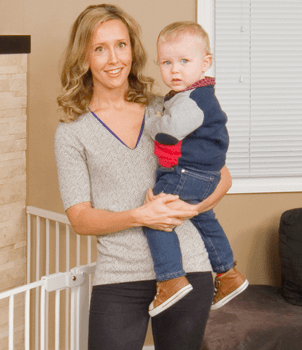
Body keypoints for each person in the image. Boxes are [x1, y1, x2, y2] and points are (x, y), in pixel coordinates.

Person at [54, 4, 231, 350]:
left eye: (121, 45)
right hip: (120, 276)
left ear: (133, 50)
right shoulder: (71, 132)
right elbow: (80, 218)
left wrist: (189, 211)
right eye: (99, 48)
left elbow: (221, 177)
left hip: (188, 268)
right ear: (84, 57)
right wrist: (141, 215)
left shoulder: (166, 108)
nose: (113, 58)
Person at [143, 21, 248, 317]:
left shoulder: (192, 99)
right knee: (205, 218)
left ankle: (170, 279)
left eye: (184, 61)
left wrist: (152, 121)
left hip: (187, 172)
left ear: (205, 63)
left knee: (157, 218)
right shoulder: (197, 94)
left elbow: (169, 132)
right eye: (166, 62)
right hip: (206, 175)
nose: (174, 70)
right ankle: (228, 274)